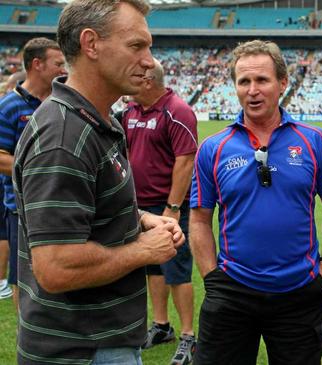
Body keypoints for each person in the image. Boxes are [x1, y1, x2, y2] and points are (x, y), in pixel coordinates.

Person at [13, 1, 184, 364]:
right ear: (91, 44)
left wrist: (140, 218)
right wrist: (144, 249)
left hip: (101, 340)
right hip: (80, 350)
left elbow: (89, 207)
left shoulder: (96, 120)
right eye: (136, 46)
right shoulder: (63, 137)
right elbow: (55, 267)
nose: (149, 60)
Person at [190, 40, 322, 365]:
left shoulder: (313, 140)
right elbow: (200, 218)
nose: (252, 90)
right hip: (231, 292)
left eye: (262, 80)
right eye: (243, 81)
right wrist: (211, 278)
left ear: (282, 83)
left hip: (299, 292)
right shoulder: (213, 147)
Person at [121, 58, 198, 365]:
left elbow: (185, 161)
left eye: (136, 76)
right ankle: (162, 326)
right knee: (152, 267)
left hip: (168, 207)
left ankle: (189, 336)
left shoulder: (177, 110)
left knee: (177, 270)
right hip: (139, 208)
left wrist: (173, 208)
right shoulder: (131, 111)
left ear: (149, 80)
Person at [0, 37, 66, 309]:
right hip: (23, 209)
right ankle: (26, 338)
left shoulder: (61, 101)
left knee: (59, 274)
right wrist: (40, 171)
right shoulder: (9, 106)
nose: (64, 69)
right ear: (37, 65)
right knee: (24, 278)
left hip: (61, 205)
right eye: (58, 63)